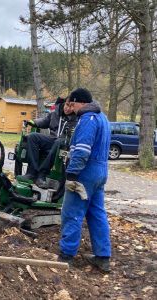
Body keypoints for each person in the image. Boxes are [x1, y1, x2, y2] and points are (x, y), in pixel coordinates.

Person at [58, 88, 111, 273]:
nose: (71, 109)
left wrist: (72, 175)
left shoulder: (87, 119)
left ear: (79, 102)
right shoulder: (103, 118)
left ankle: (66, 256)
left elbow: (81, 151)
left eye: (72, 105)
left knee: (72, 212)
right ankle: (103, 257)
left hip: (85, 172)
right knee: (97, 214)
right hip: (101, 171)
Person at [20, 97, 77, 188]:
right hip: (52, 140)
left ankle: (42, 175)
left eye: (71, 106)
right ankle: (32, 173)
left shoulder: (77, 119)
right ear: (64, 103)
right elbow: (44, 121)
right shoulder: (55, 113)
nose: (68, 108)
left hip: (64, 144)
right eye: (67, 105)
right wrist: (32, 122)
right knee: (32, 136)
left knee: (59, 141)